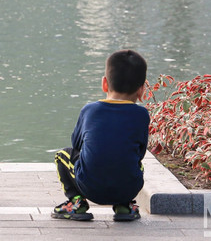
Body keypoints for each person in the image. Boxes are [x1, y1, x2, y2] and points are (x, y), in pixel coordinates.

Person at [52, 50, 149, 222]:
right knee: (134, 161)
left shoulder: (90, 110)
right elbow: (140, 151)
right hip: (127, 187)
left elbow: (76, 144)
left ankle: (76, 203)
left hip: (90, 188)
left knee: (62, 155)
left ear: (105, 84)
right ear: (142, 90)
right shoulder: (141, 114)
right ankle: (124, 206)